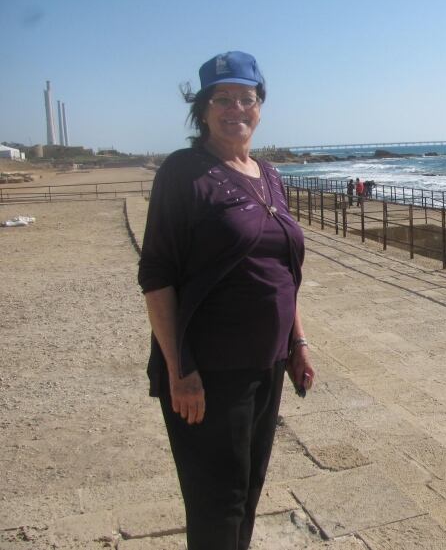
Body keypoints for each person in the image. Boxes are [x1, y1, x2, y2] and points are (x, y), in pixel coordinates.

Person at [137, 51, 315, 550]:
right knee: (217, 502)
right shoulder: (184, 173)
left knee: (249, 491)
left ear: (261, 105)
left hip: (267, 364)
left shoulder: (268, 174)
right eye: (223, 98)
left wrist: (298, 342)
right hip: (209, 372)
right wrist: (179, 370)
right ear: (203, 107)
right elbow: (156, 276)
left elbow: (284, 269)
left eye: (247, 97)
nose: (235, 107)